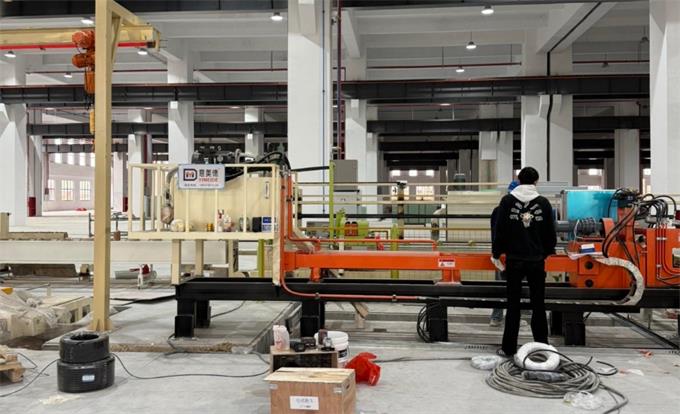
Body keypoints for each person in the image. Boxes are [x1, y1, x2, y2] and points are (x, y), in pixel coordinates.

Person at [491, 167, 557, 356]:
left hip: (514, 260)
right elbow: (549, 231)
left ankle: (508, 348)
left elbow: (499, 229)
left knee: (513, 305)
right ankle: (542, 347)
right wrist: (548, 251)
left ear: (519, 181)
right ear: (536, 181)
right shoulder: (543, 203)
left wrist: (496, 252)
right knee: (538, 305)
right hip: (536, 261)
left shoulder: (507, 201)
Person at [489, 180, 519, 327]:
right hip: (517, 256)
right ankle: (515, 317)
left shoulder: (498, 210)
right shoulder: (522, 211)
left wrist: (496, 253)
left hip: (501, 255)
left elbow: (495, 234)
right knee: (517, 288)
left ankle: (497, 317)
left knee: (500, 287)